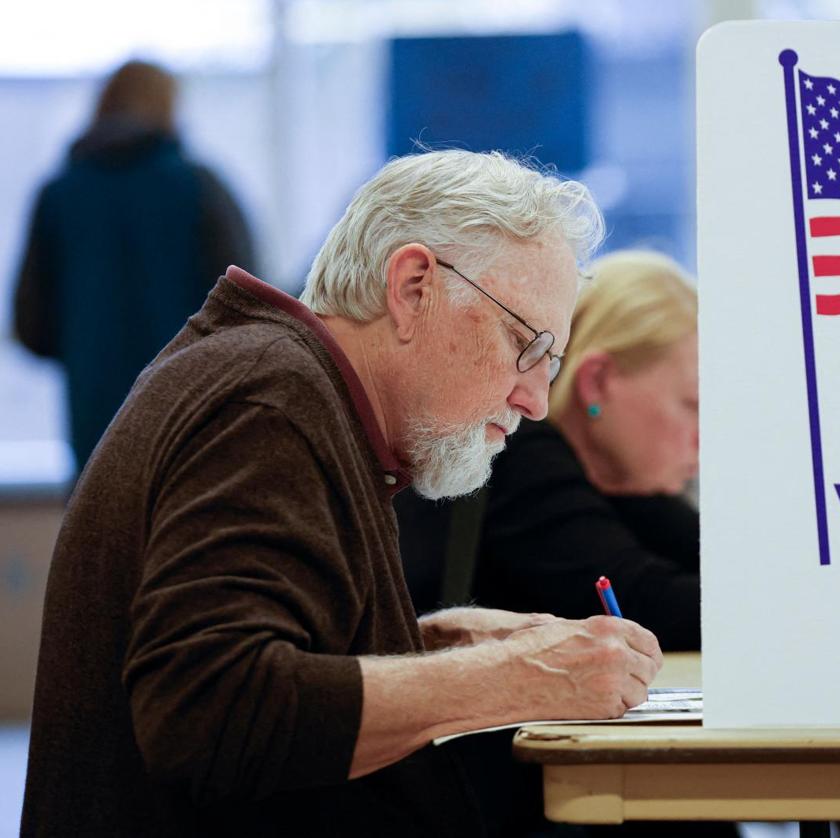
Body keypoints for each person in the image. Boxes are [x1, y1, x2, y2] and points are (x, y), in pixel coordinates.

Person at [21, 149, 663, 837]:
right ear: (414, 286)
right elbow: (212, 710)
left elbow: (258, 659)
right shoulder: (269, 403)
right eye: (524, 344)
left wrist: (433, 645)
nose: (536, 400)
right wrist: (517, 676)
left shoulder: (280, 383)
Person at [398, 249, 701, 650]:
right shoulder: (515, 456)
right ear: (596, 381)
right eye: (692, 406)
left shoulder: (613, 479)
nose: (703, 437)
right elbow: (654, 605)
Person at [13, 59, 255, 473]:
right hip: (192, 422)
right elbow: (250, 312)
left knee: (101, 533)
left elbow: (31, 328)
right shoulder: (200, 189)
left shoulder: (57, 196)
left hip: (95, 429)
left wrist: (90, 347)